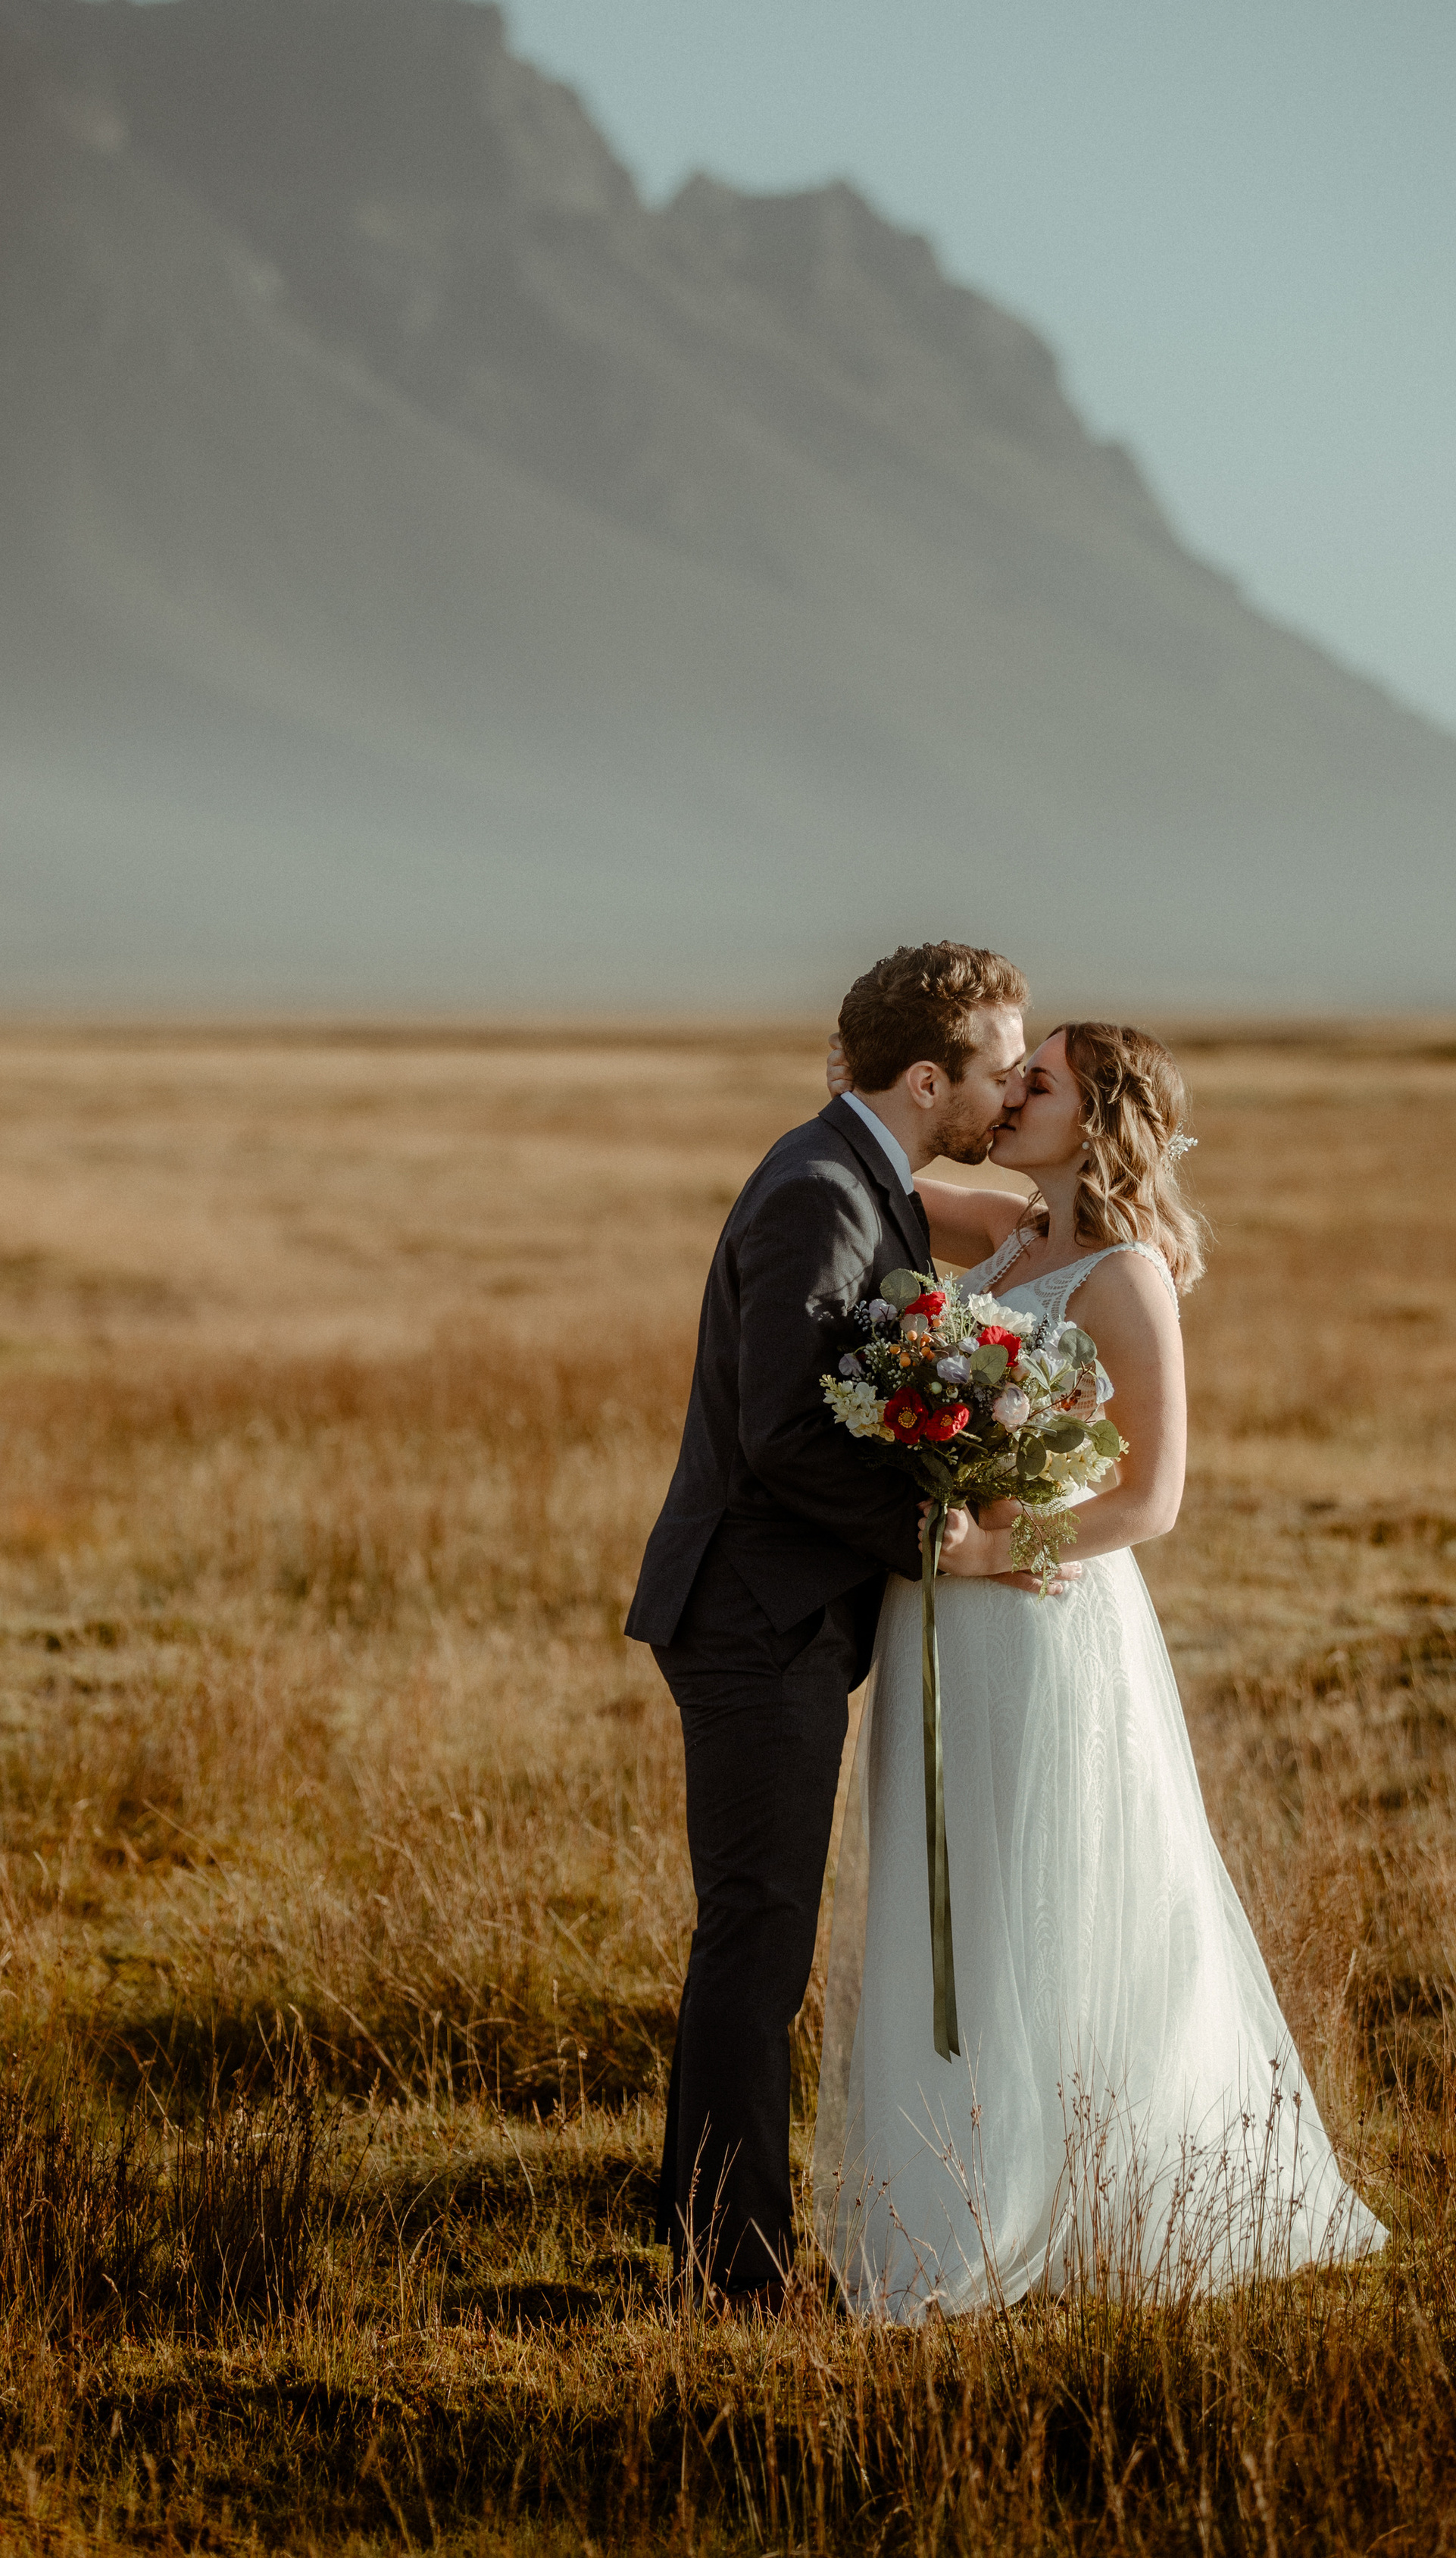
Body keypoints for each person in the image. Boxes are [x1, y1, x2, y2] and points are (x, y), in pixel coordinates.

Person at [813, 1020, 1386, 2314]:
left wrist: (993, 1548)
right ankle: (954, 2180)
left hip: (1039, 1616)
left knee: (1042, 1886)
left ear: (1101, 1114)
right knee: (944, 1875)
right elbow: (887, 1175)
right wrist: (862, 1064)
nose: (1012, 1094)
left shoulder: (1122, 1273)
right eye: (1015, 1075)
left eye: (1039, 1081)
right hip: (944, 1613)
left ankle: (1067, 2191)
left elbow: (1156, 1498)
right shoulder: (1012, 1234)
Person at [626, 940, 1034, 2309]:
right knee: (757, 1940)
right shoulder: (818, 1194)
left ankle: (710, 2243)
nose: (1014, 1083)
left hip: (780, 1616)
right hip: (753, 1620)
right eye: (998, 1067)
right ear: (930, 1079)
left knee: (758, 1937)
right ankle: (728, 2271)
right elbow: (787, 1433)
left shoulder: (858, 1177)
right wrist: (946, 1543)